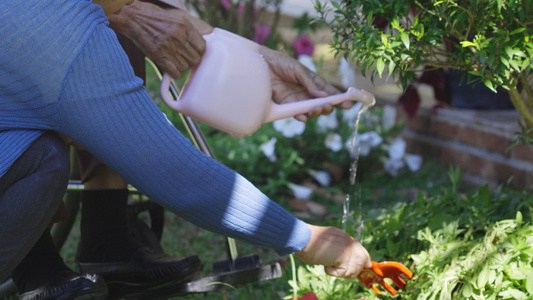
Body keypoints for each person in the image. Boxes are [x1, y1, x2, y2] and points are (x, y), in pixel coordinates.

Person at [0, 0, 372, 298]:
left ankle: (103, 245)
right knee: (44, 163)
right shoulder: (63, 34)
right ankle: (55, 266)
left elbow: (133, 9)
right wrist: (308, 240)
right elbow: (179, 176)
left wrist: (256, 57)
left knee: (39, 155)